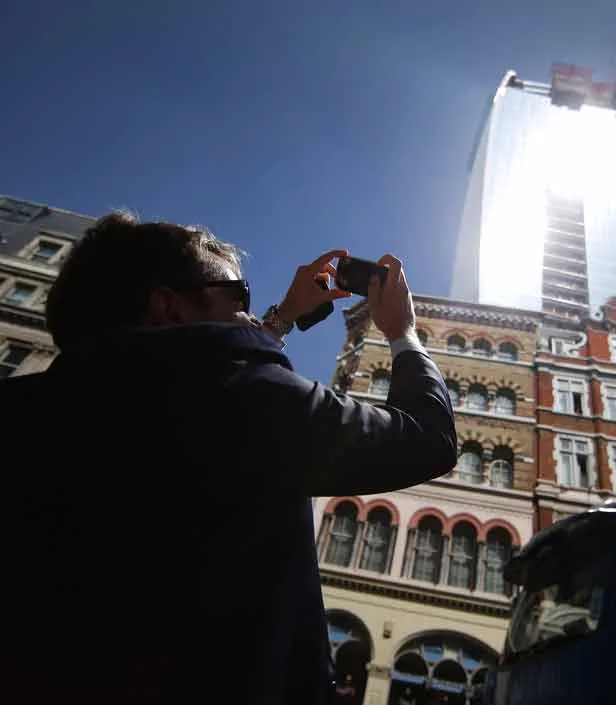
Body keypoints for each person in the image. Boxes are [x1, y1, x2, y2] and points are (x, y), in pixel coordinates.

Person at [0, 212, 457, 704]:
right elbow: (428, 438)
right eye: (237, 295)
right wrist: (402, 333)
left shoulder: (21, 413)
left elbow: (187, 367)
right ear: (167, 305)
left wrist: (280, 319)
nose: (248, 310)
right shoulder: (251, 403)